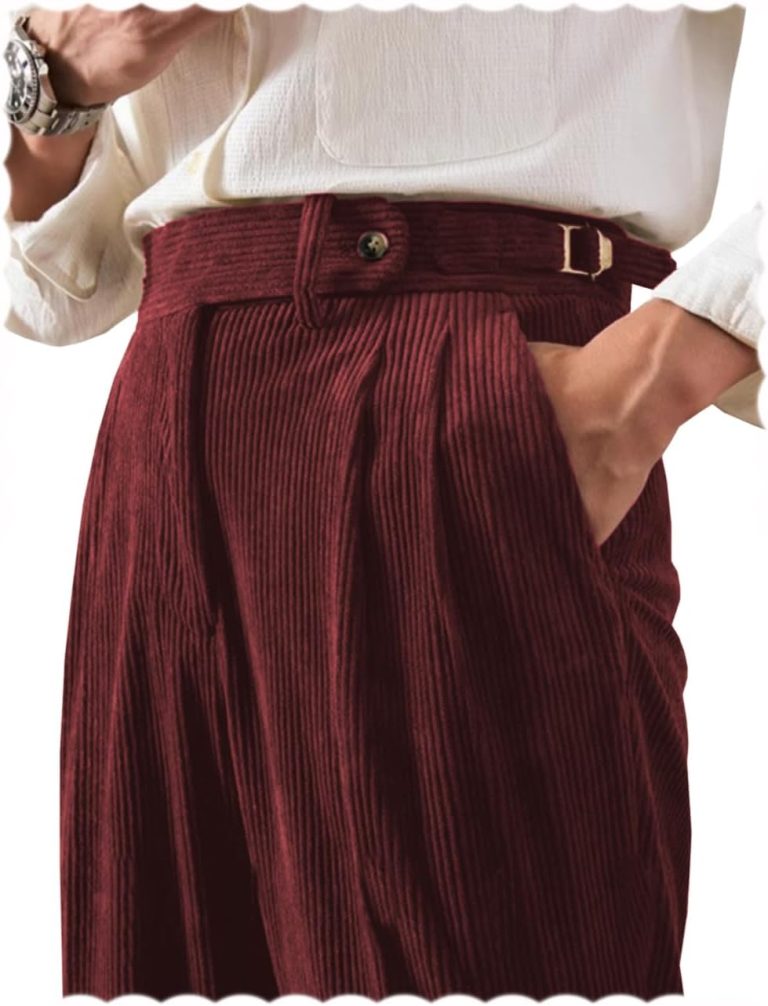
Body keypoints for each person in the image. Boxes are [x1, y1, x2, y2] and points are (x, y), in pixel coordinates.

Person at [3, 3, 764, 1000]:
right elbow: (49, 289)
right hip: (171, 405)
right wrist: (50, 90)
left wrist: (675, 356)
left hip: (470, 379)